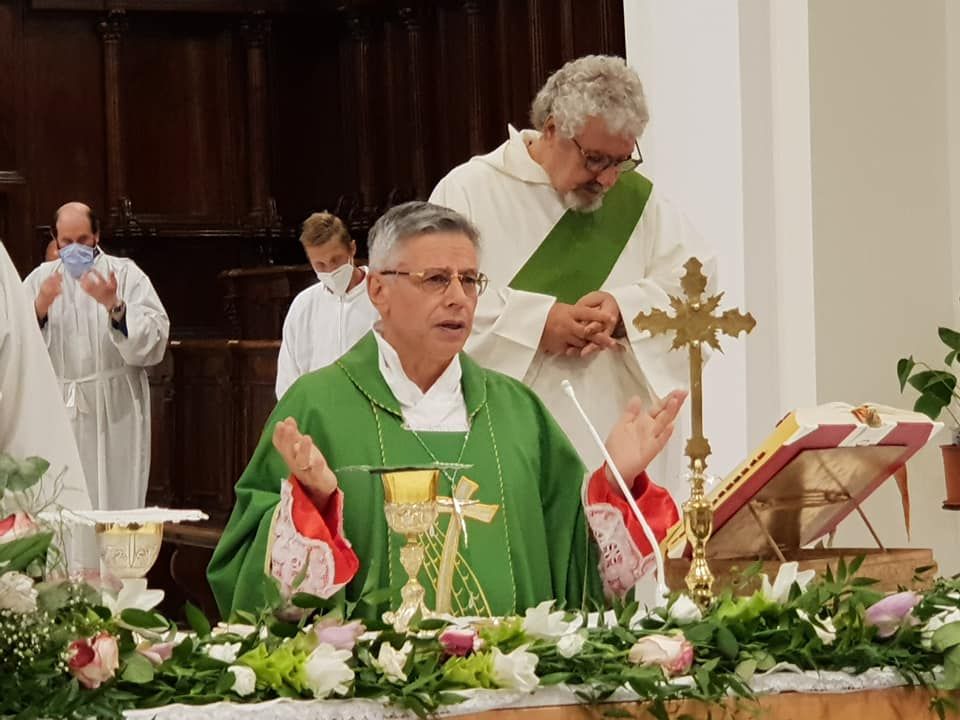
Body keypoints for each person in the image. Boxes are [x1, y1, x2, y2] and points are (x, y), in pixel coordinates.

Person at [209, 202, 685, 620]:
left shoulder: (515, 410)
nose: (459, 297)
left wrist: (615, 480)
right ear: (378, 291)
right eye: (436, 279)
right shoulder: (317, 407)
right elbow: (250, 585)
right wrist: (313, 504)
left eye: (470, 280)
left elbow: (577, 574)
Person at [430, 55, 712, 500]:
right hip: (506, 438)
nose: (609, 179)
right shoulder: (469, 191)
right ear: (551, 129)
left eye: (623, 161)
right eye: (595, 159)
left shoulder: (641, 203)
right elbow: (434, 303)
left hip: (613, 433)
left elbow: (699, 292)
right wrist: (539, 323)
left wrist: (625, 312)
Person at [23, 202, 170, 510]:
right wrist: (39, 308)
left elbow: (155, 338)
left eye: (83, 240)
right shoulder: (40, 279)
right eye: (67, 242)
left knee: (112, 501)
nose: (75, 248)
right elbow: (14, 344)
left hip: (115, 409)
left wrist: (115, 306)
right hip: (59, 410)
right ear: (55, 238)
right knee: (61, 500)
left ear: (97, 235)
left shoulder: (126, 275)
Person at [276, 212, 379, 399]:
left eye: (336, 260)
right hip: (318, 415)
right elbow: (288, 378)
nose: (331, 270)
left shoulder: (384, 295)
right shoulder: (303, 306)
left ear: (352, 249)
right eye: (320, 265)